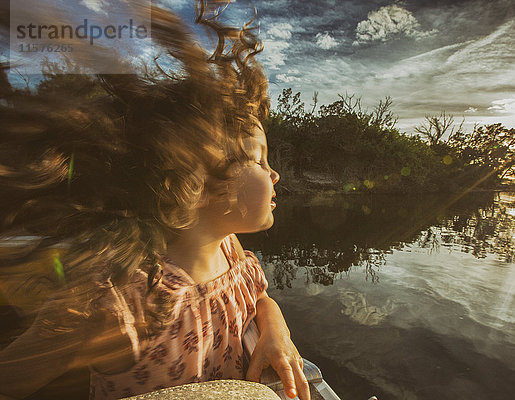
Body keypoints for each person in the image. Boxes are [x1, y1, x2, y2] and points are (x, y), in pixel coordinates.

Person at [0, 2, 310, 399]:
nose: (274, 174)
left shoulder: (230, 252)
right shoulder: (124, 300)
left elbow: (260, 298)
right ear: (196, 186)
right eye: (259, 160)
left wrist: (276, 332)